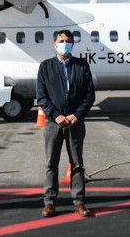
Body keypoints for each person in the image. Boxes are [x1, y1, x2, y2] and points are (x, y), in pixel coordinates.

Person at [36, 30, 95, 218]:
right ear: (54, 44)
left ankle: (79, 201)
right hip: (54, 123)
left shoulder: (82, 65)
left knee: (77, 164)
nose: (65, 44)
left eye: (68, 41)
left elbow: (89, 95)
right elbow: (42, 96)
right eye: (61, 41)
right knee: (51, 163)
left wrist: (76, 115)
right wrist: (55, 115)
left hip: (75, 123)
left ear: (72, 45)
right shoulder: (45, 67)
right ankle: (49, 202)